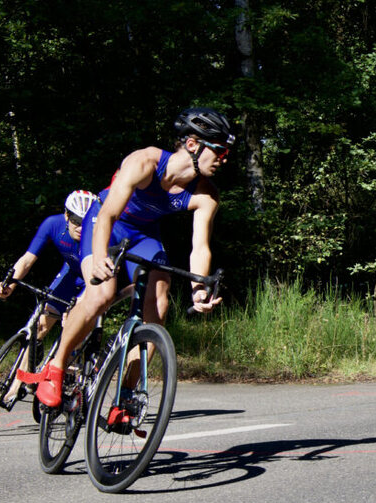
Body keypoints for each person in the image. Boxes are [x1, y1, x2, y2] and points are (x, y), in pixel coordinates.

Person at [18, 107, 231, 408]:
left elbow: (200, 247)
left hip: (144, 234)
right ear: (193, 144)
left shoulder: (206, 194)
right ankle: (56, 367)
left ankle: (126, 395)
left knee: (159, 300)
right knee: (101, 294)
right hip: (106, 222)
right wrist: (101, 255)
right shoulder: (144, 161)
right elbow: (107, 213)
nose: (224, 159)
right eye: (220, 151)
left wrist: (198, 290)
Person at [0, 190, 98, 400]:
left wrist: (80, 305)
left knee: (74, 330)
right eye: (76, 221)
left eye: (86, 222)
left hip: (93, 281)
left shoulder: (99, 234)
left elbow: (101, 279)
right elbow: (27, 260)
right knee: (39, 325)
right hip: (70, 277)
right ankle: (17, 385)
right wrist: (9, 284)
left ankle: (65, 375)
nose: (81, 228)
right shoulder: (52, 225)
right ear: (66, 216)